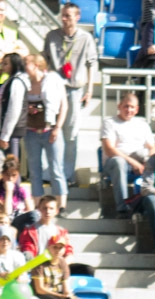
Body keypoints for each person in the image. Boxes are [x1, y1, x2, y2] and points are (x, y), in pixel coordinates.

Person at [43, 1, 96, 186]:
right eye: (63, 15)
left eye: (69, 16)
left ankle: (67, 175)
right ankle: (50, 171)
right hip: (54, 88)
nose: (65, 19)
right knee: (50, 128)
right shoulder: (51, 36)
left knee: (70, 133)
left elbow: (92, 64)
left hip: (74, 88)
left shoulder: (85, 38)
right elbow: (44, 62)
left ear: (77, 17)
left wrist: (89, 90)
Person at [22, 55, 68, 215]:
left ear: (36, 65)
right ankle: (37, 204)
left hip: (51, 129)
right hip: (31, 131)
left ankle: (61, 204)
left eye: (26, 63)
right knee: (34, 170)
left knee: (56, 168)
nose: (24, 66)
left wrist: (57, 127)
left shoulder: (53, 80)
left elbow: (64, 105)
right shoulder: (25, 83)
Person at [101, 93, 155, 218]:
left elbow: (152, 147)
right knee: (119, 162)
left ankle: (151, 203)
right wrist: (133, 162)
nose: (129, 110)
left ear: (137, 109)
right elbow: (109, 149)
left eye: (132, 107)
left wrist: (149, 162)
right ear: (119, 106)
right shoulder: (109, 123)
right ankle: (123, 208)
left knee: (147, 155)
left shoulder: (142, 124)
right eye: (126, 106)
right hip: (115, 162)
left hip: (137, 159)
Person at [31, 235, 83, 299]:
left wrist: (68, 295)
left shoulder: (63, 263)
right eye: (55, 247)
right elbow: (39, 289)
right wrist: (60, 296)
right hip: (42, 294)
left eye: (60, 248)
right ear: (48, 248)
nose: (58, 250)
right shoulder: (40, 263)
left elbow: (65, 287)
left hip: (58, 292)